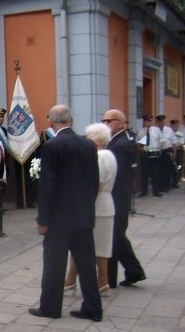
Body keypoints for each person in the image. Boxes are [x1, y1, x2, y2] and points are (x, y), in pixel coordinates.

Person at [29, 104, 102, 321]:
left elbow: (48, 186)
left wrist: (43, 219)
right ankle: (93, 308)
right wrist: (88, 207)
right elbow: (94, 181)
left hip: (59, 219)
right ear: (72, 120)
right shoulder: (89, 145)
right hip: (83, 215)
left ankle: (50, 307)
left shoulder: (52, 146)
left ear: (51, 121)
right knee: (86, 263)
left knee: (54, 263)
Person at [64, 123, 117, 294]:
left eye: (89, 138)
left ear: (98, 140)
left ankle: (100, 281)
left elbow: (96, 184)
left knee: (86, 245)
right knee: (99, 246)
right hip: (104, 204)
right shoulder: (109, 155)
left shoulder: (100, 156)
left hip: (96, 205)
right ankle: (75, 279)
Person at [104, 109, 147, 288]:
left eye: (109, 121)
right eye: (104, 120)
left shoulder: (120, 144)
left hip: (117, 197)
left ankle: (112, 278)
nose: (105, 124)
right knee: (118, 238)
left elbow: (118, 175)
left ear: (121, 123)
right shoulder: (118, 141)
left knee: (114, 238)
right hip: (119, 197)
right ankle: (134, 272)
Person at [137, 114, 162, 197]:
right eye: (147, 121)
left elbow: (162, 140)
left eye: (150, 121)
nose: (149, 123)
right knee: (144, 174)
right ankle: (144, 191)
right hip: (145, 154)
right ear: (144, 122)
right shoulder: (141, 131)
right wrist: (140, 147)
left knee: (155, 174)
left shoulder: (156, 130)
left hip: (154, 153)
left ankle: (156, 191)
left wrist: (158, 147)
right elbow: (137, 143)